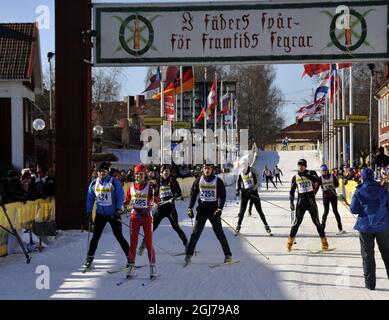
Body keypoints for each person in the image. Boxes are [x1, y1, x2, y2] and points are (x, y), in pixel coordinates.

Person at [350, 168, 389, 290]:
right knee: (387, 254)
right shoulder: (383, 191)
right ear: (373, 177)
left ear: (362, 177)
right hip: (383, 226)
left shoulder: (359, 191)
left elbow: (353, 209)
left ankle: (370, 285)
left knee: (368, 256)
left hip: (365, 228)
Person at [184, 164, 232, 265]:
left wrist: (220, 209)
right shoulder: (198, 180)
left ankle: (228, 255)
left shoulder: (217, 181)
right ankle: (188, 255)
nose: (206, 170)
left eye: (208, 168)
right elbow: (193, 195)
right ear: (202, 169)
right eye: (205, 168)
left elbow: (222, 196)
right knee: (195, 234)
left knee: (219, 234)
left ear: (212, 169)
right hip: (202, 210)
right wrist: (189, 208)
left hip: (214, 211)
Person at [85, 162, 130, 268]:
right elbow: (90, 199)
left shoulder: (113, 182)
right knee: (95, 237)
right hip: (100, 214)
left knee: (119, 236)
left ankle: (130, 257)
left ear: (107, 172)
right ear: (97, 172)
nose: (101, 173)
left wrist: (118, 209)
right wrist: (89, 212)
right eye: (100, 171)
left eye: (104, 171)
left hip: (113, 214)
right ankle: (89, 258)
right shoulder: (93, 184)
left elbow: (120, 195)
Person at [138, 165, 188, 255]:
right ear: (161, 173)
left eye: (168, 171)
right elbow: (151, 195)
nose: (166, 172)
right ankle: (142, 246)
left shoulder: (173, 182)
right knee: (151, 228)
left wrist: (175, 198)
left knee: (176, 227)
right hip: (159, 209)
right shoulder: (156, 182)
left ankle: (187, 245)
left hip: (170, 209)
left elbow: (179, 194)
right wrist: (153, 202)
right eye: (165, 171)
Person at [124, 164, 159, 279]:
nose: (139, 176)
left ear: (145, 175)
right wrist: (123, 205)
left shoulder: (150, 186)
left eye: (141, 174)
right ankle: (131, 265)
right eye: (137, 174)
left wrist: (155, 201)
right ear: (135, 175)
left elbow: (156, 198)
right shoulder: (131, 186)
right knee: (133, 243)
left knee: (148, 243)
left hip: (147, 217)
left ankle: (152, 266)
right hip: (135, 217)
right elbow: (127, 199)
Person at [287, 159, 330, 252]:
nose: (300, 167)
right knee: (296, 223)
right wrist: (291, 203)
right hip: (301, 202)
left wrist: (305, 175)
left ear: (305, 166)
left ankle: (324, 243)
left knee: (317, 223)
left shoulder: (311, 172)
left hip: (311, 201)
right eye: (299, 165)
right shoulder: (295, 176)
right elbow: (291, 192)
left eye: (302, 165)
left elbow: (317, 180)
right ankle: (289, 243)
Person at [235, 160, 272, 235]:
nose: (242, 169)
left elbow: (258, 182)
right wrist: (237, 190)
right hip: (245, 192)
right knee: (242, 211)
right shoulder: (240, 172)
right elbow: (238, 182)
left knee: (259, 210)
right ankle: (238, 226)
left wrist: (253, 189)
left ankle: (266, 225)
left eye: (244, 167)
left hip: (253, 191)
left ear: (247, 165)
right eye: (241, 167)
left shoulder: (253, 170)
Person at [317, 164, 345, 234]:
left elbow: (337, 184)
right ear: (321, 172)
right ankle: (322, 228)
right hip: (326, 197)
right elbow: (317, 187)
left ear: (327, 170)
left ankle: (340, 228)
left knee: (335, 211)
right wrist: (313, 194)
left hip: (333, 196)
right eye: (323, 171)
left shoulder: (332, 176)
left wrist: (332, 186)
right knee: (326, 212)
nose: (324, 172)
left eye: (325, 170)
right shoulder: (320, 178)